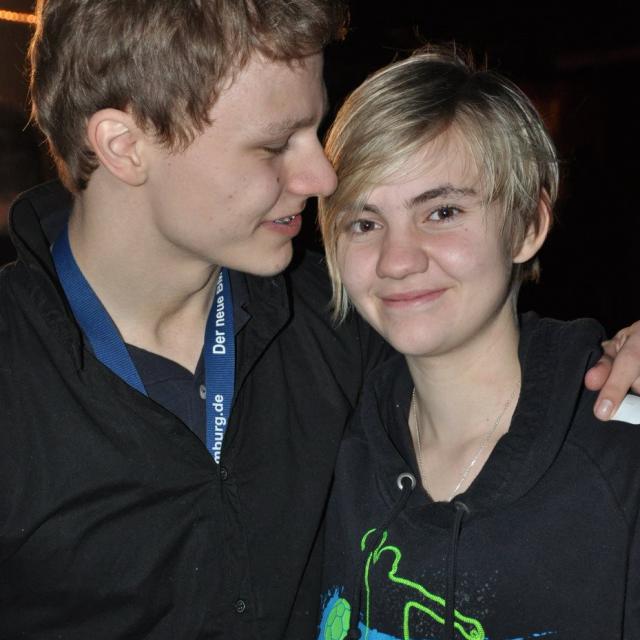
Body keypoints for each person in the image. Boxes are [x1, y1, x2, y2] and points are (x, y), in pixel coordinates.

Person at [0, 2, 637, 638]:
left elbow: (497, 358)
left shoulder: (341, 327)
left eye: (315, 133)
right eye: (276, 144)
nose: (322, 176)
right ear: (124, 146)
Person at [317, 49, 640, 640]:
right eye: (364, 223)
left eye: (442, 211)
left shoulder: (621, 461)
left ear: (529, 225)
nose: (396, 260)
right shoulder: (329, 451)